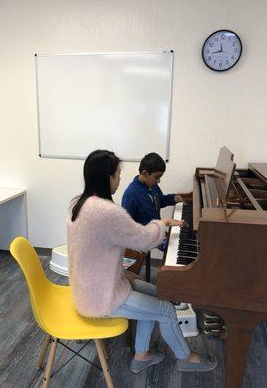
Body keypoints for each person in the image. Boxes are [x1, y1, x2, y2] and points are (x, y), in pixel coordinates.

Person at [67, 149, 217, 373]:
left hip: (92, 286)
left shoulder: (78, 203)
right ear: (106, 177)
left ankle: (141, 355)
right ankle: (186, 359)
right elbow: (144, 240)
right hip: (100, 297)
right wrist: (163, 223)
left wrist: (121, 273)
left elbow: (93, 253)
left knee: (158, 293)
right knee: (166, 310)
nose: (119, 180)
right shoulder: (106, 211)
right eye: (117, 174)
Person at [122, 152, 192, 251]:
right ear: (145, 173)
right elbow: (126, 225)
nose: (159, 181)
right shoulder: (131, 193)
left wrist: (174, 198)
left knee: (181, 239)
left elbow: (160, 200)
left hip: (156, 228)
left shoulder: (152, 185)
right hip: (143, 236)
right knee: (175, 248)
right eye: (157, 177)